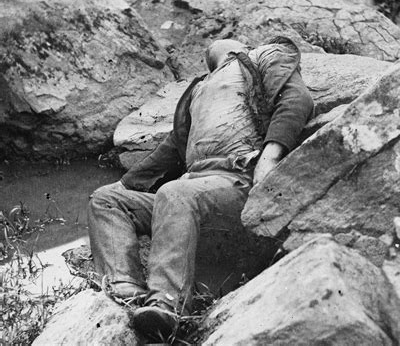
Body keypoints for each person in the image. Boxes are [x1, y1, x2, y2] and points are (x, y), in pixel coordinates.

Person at [87, 36, 314, 341]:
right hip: (193, 189)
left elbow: (297, 101)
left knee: (174, 194)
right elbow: (170, 151)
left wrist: (269, 158)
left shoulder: (262, 58)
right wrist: (124, 185)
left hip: (237, 181)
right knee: (106, 200)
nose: (213, 46)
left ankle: (167, 305)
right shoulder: (199, 88)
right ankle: (126, 291)